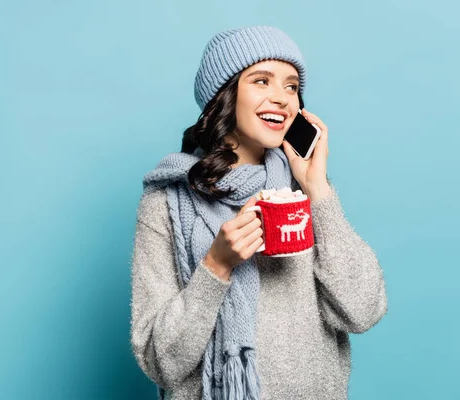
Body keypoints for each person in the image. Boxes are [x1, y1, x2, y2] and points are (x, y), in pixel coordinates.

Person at [129, 25, 387, 400]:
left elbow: (363, 311)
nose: (282, 99)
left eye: (291, 86)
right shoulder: (166, 204)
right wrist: (216, 266)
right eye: (261, 81)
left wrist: (318, 192)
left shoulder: (305, 191)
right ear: (225, 96)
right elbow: (160, 362)